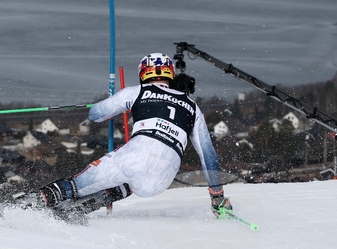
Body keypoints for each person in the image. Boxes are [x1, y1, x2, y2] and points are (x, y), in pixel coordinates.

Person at [26, 53, 231, 222]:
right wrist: (217, 197)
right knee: (128, 183)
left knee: (78, 184)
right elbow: (209, 156)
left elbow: (95, 115)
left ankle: (24, 207)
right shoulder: (193, 108)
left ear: (143, 73)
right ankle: (81, 208)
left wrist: (112, 101)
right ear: (171, 75)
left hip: (137, 154)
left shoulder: (138, 91)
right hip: (163, 179)